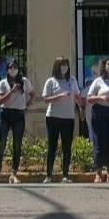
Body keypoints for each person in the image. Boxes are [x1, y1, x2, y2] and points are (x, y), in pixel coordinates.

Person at [0, 61, 34, 184]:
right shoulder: (2, 83)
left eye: (15, 67)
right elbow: (0, 100)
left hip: (19, 115)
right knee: (2, 143)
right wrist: (12, 90)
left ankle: (14, 174)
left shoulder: (25, 81)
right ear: (7, 70)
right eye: (11, 68)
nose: (13, 69)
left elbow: (32, 93)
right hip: (5, 114)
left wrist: (28, 103)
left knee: (17, 145)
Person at [42, 56, 81, 184]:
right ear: (56, 66)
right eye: (62, 65)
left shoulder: (72, 80)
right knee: (52, 146)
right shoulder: (51, 81)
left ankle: (65, 175)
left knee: (66, 147)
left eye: (66, 65)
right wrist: (59, 96)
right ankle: (49, 176)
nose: (64, 67)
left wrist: (81, 108)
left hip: (68, 117)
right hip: (53, 117)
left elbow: (77, 96)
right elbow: (46, 99)